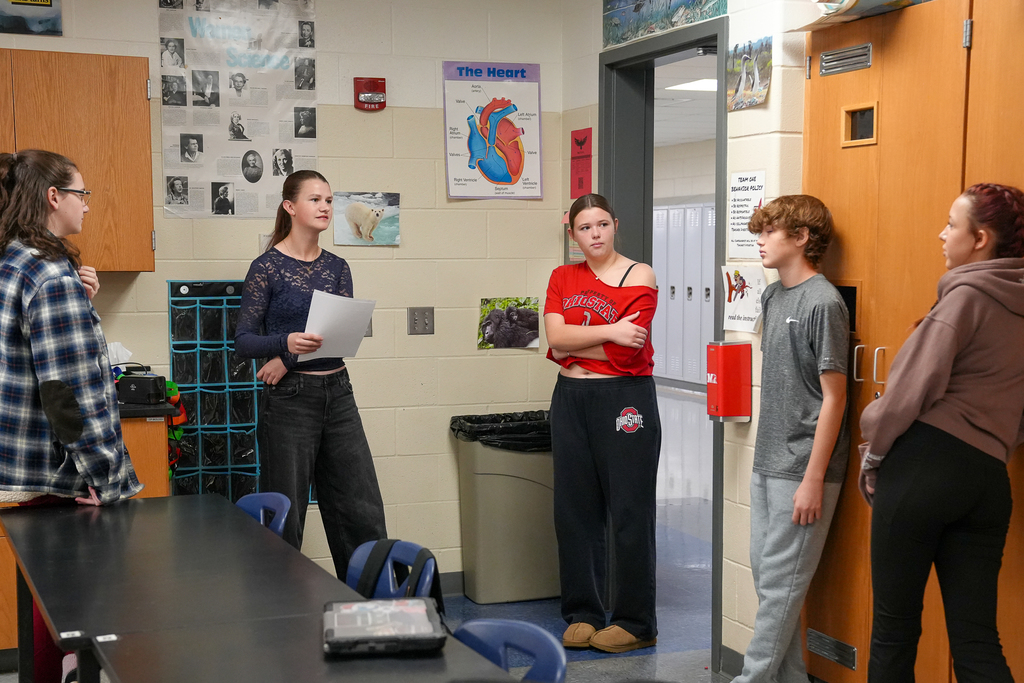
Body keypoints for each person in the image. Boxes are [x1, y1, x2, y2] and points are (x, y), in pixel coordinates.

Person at [859, 183, 1024, 682]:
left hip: (923, 470)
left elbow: (907, 392)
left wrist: (874, 454)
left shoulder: (966, 297)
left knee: (894, 631)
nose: (942, 233)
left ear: (979, 239)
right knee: (977, 639)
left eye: (952, 224)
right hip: (990, 480)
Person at [0, 149, 142, 683]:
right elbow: (68, 392)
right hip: (50, 476)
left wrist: (78, 301)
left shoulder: (11, 259)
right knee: (63, 612)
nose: (87, 206)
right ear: (53, 197)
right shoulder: (48, 271)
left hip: (14, 468)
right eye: (81, 194)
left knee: (39, 598)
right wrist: (107, 479)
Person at [234, 170, 387, 578]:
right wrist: (285, 345)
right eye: (315, 199)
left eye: (329, 200)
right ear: (290, 206)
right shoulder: (266, 267)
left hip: (338, 394)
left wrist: (288, 357)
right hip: (289, 402)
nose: (325, 207)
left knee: (362, 509)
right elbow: (244, 342)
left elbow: (338, 336)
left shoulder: (337, 266)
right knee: (285, 515)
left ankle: (374, 614)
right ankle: (280, 621)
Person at [733, 195, 849, 683]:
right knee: (768, 580)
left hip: (803, 467)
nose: (758, 240)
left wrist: (812, 479)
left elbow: (835, 399)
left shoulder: (823, 302)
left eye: (769, 231)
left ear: (800, 238)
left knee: (780, 587)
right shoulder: (773, 295)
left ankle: (749, 679)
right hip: (768, 458)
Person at [543, 193, 661, 653]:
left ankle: (636, 621)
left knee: (630, 510)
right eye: (584, 227)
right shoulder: (562, 276)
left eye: (601, 225)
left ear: (615, 224)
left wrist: (579, 344)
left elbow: (629, 350)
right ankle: (583, 613)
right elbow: (555, 339)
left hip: (624, 400)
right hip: (571, 397)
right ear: (572, 232)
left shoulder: (640, 274)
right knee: (574, 510)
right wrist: (609, 330)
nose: (594, 234)